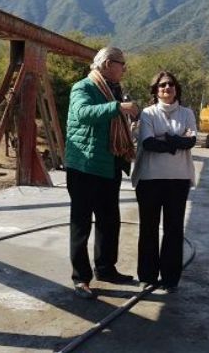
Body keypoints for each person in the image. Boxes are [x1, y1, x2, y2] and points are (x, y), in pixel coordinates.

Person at [65, 46, 139, 299]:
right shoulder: (83, 87)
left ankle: (106, 269)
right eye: (122, 63)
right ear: (108, 63)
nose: (124, 68)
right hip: (84, 167)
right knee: (81, 223)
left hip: (109, 165)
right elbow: (82, 114)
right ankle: (81, 278)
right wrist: (118, 108)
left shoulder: (114, 90)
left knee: (109, 222)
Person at [131, 71, 196, 294]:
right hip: (149, 179)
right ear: (155, 90)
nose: (166, 88)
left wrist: (165, 138)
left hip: (179, 179)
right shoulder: (148, 113)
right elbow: (148, 143)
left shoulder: (187, 113)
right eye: (161, 85)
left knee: (174, 230)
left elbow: (191, 141)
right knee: (148, 229)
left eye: (170, 85)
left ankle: (170, 279)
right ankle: (147, 276)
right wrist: (174, 141)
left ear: (176, 88)